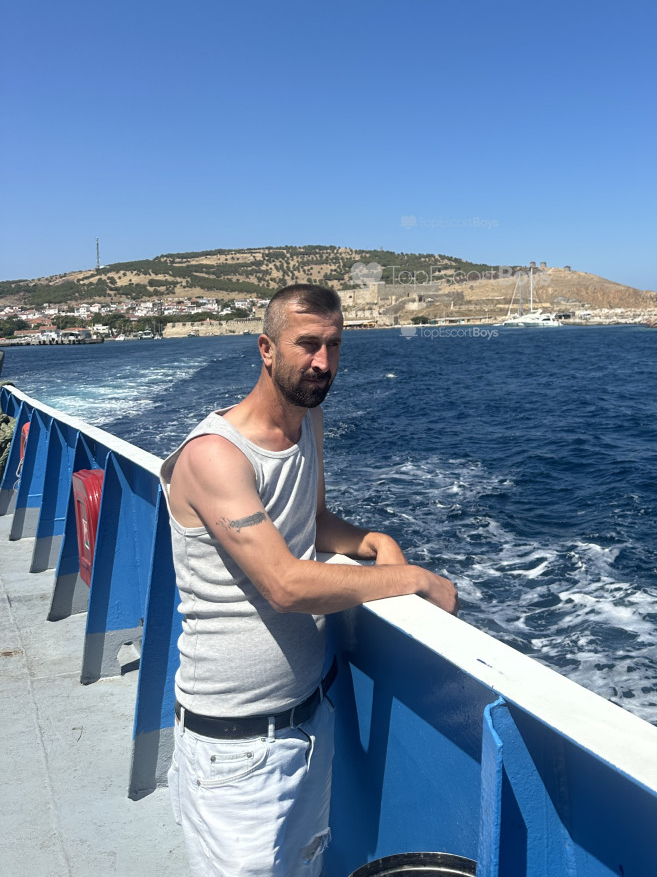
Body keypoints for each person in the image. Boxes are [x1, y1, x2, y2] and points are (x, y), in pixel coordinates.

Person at [160, 283, 457, 877]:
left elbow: (312, 522)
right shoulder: (215, 456)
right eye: (307, 344)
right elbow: (285, 584)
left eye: (334, 345)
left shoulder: (308, 423)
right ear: (267, 348)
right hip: (234, 747)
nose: (323, 361)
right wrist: (411, 579)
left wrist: (372, 542)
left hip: (307, 720)